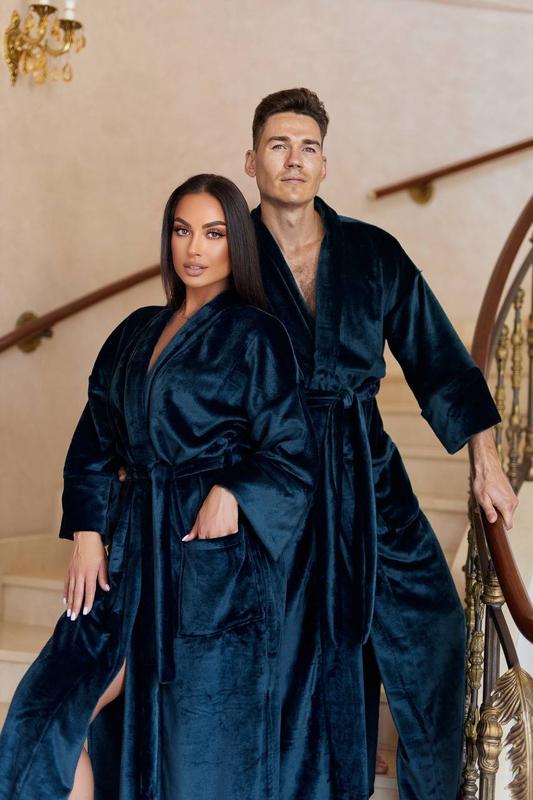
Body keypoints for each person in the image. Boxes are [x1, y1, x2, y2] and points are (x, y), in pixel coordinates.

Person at [0, 174, 318, 800]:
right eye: (182, 230)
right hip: (124, 556)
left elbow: (292, 454)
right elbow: (94, 439)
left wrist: (235, 492)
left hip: (206, 565)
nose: (194, 248)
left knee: (192, 749)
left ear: (237, 243)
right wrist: (88, 533)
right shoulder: (135, 330)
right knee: (44, 721)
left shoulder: (256, 335)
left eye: (214, 233)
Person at [239, 88, 518, 800]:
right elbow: (189, 372)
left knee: (434, 628)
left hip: (366, 472)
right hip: (271, 480)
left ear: (324, 165)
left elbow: (439, 358)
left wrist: (485, 459)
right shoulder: (229, 256)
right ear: (251, 160)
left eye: (307, 147)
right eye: (278, 145)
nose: (293, 159)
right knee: (292, 654)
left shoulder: (371, 252)